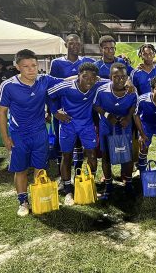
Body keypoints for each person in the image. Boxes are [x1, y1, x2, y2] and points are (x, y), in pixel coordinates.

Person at [0, 49, 63, 216]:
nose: (31, 69)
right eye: (26, 66)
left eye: (34, 65)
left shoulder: (44, 80)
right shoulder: (8, 86)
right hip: (19, 135)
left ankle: (38, 197)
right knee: (20, 169)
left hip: (40, 133)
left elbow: (66, 81)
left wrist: (96, 79)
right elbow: (2, 112)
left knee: (40, 168)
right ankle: (23, 202)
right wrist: (6, 138)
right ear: (17, 66)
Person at [48, 63, 108, 206]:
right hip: (68, 124)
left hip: (86, 125)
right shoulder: (66, 86)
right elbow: (48, 94)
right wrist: (55, 112)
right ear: (78, 76)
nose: (89, 80)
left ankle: (88, 184)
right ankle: (68, 189)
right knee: (67, 156)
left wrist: (129, 82)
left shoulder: (96, 84)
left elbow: (113, 81)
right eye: (85, 76)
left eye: (92, 77)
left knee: (92, 156)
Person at [49, 34, 95, 178]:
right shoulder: (57, 63)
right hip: (65, 111)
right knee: (64, 146)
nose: (75, 46)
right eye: (71, 43)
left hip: (83, 110)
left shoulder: (87, 61)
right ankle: (64, 179)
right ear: (66, 45)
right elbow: (52, 86)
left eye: (77, 43)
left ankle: (79, 173)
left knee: (82, 143)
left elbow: (97, 76)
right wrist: (54, 111)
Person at [93, 63, 137, 199]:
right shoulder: (101, 90)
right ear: (110, 77)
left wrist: (128, 118)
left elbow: (135, 105)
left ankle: (128, 184)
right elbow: (96, 106)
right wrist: (108, 115)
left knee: (127, 155)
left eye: (123, 77)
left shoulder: (131, 91)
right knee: (106, 156)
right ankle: (108, 185)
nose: (120, 80)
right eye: (116, 77)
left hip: (124, 126)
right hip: (107, 125)